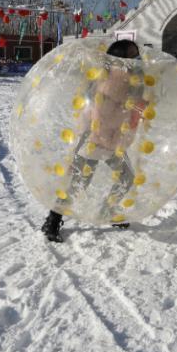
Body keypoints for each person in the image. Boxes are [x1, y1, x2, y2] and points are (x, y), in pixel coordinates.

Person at [42, 39, 146, 243]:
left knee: (125, 176)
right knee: (79, 183)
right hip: (95, 138)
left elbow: (126, 108)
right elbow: (105, 111)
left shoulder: (127, 78)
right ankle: (53, 221)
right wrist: (134, 107)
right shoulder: (115, 78)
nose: (137, 58)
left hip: (110, 138)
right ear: (122, 58)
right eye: (133, 54)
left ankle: (108, 209)